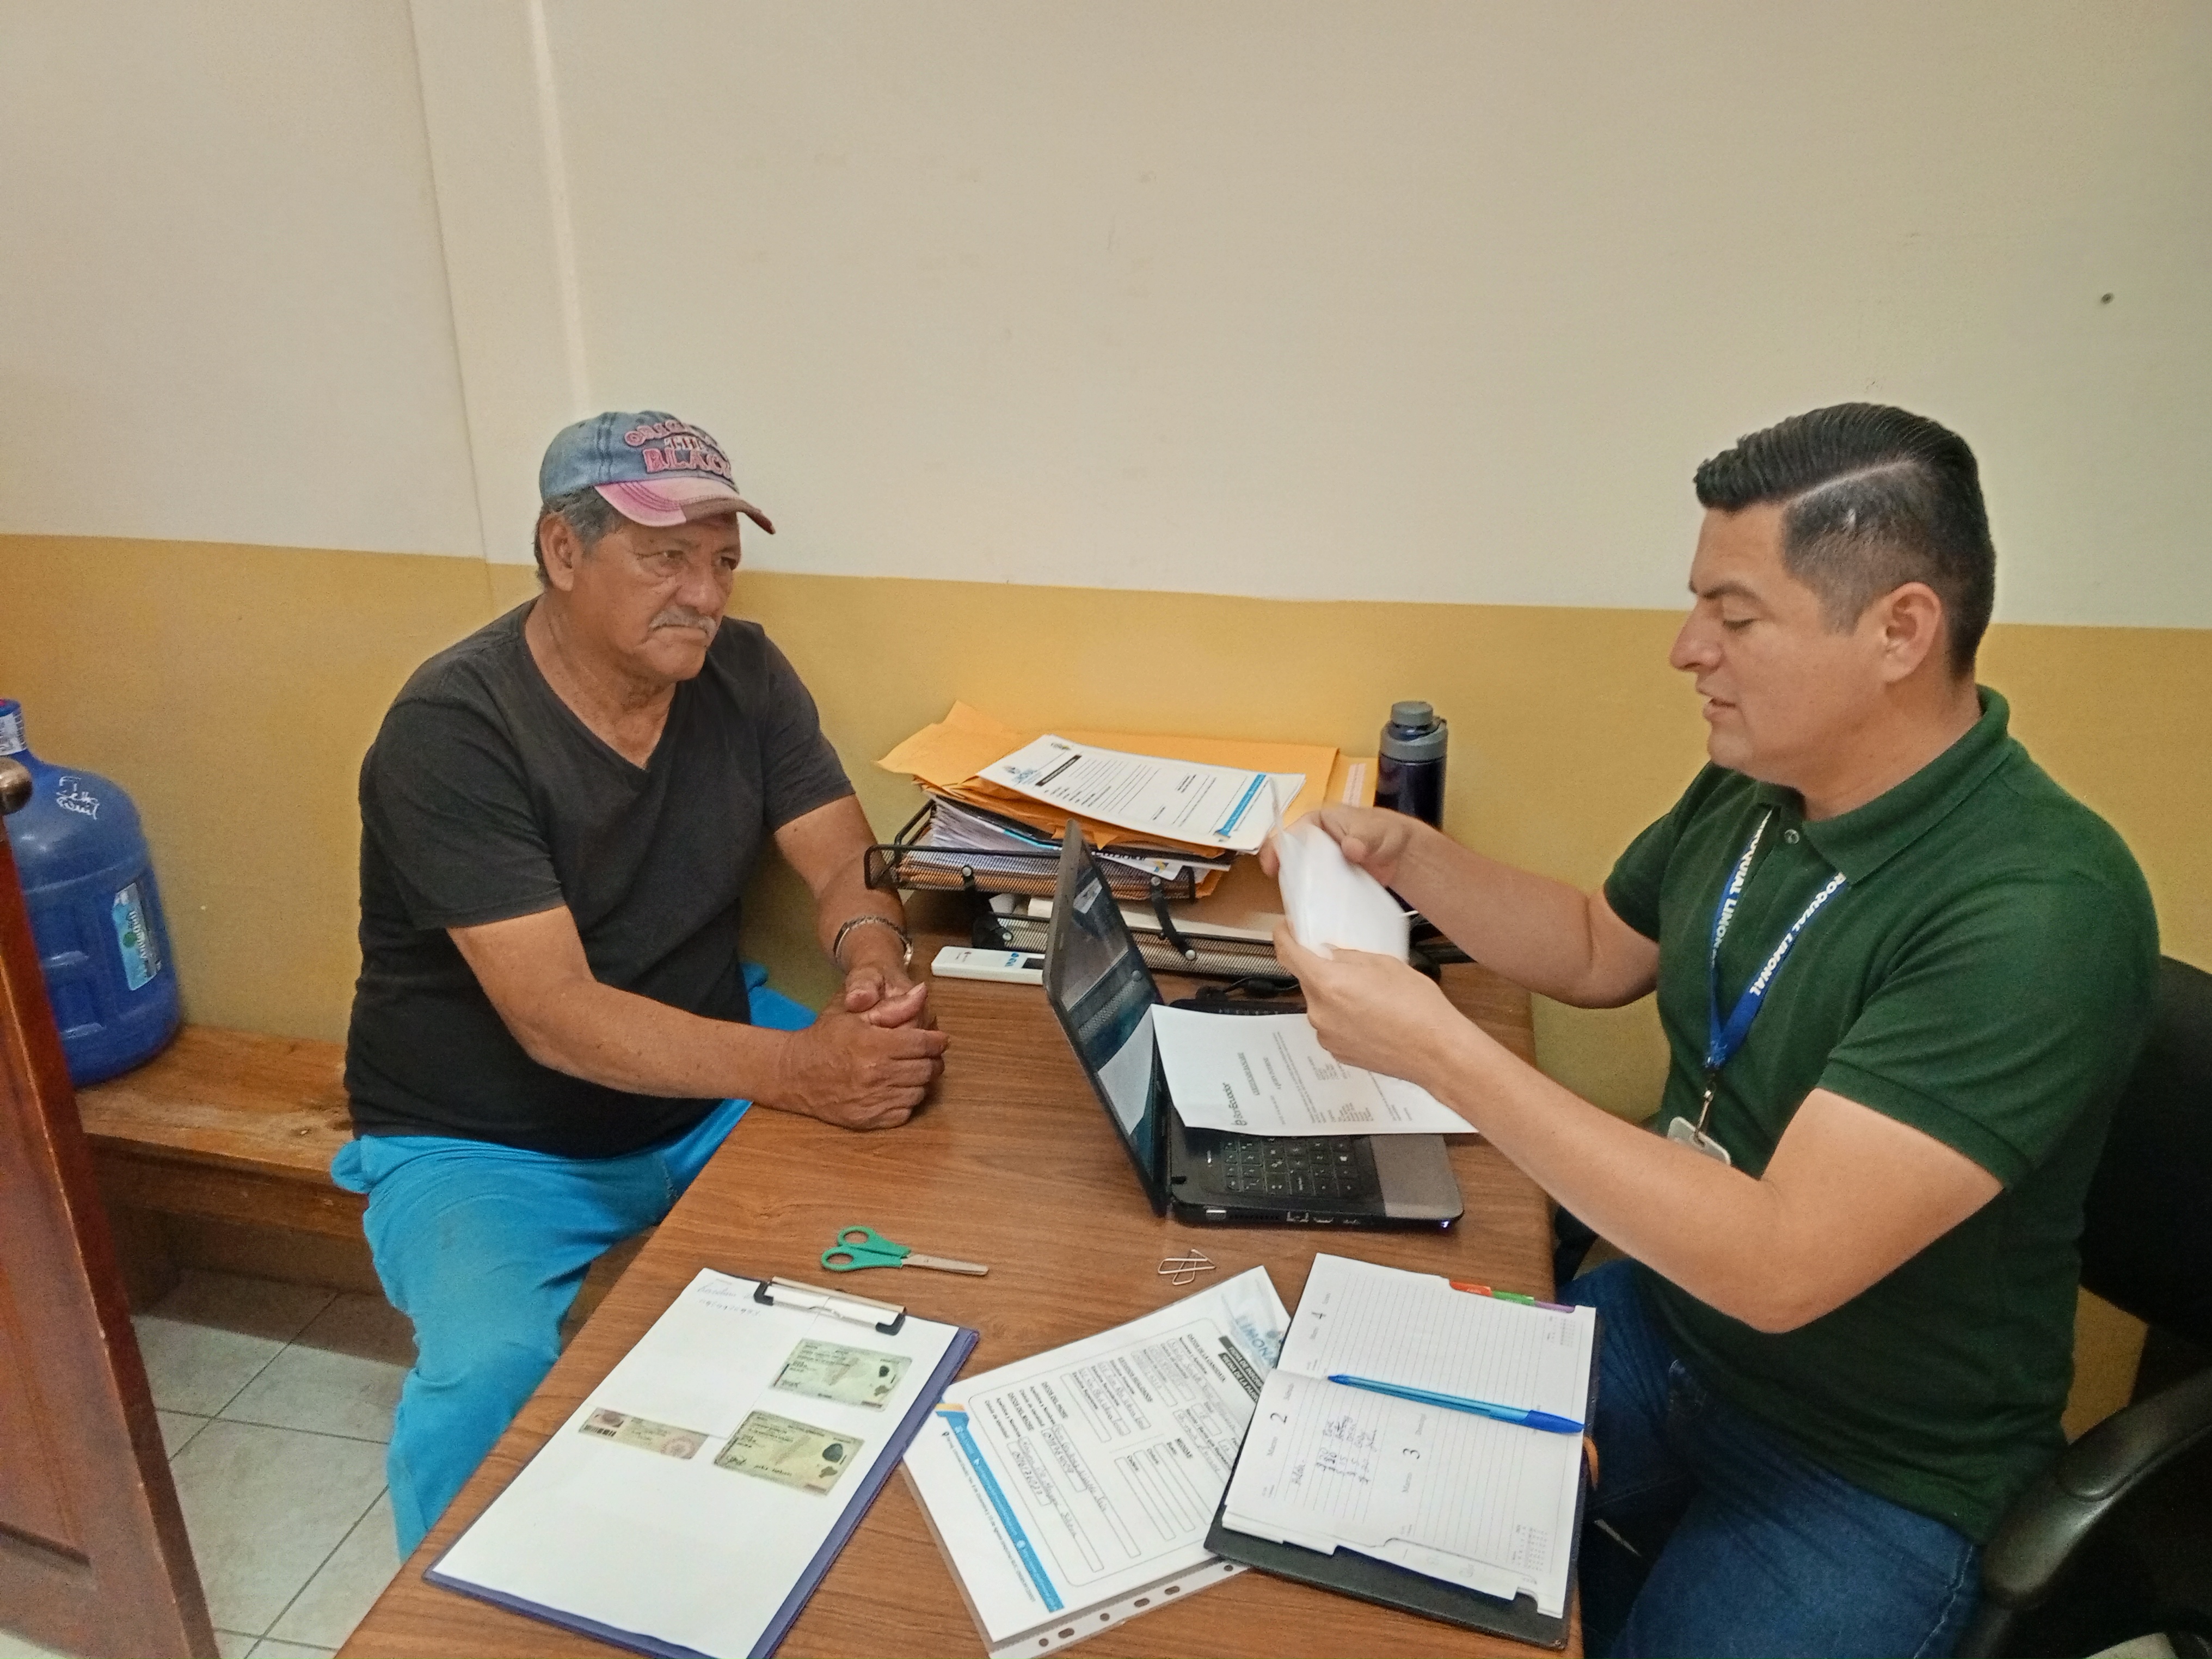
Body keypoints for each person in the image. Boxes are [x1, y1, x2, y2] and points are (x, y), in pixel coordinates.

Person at [1268, 404, 2158, 1659]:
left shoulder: (2036, 909)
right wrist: (1411, 859)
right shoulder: (1761, 782)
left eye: (1734, 619)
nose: (1688, 651)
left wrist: (1439, 1049)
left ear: (1899, 630)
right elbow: (1596, 945)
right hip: (1675, 1326)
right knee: (1314, 1514)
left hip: (1872, 1462)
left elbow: (1779, 1266)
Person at [336, 410, 947, 1555]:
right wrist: (800, 1070)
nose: (703, 595)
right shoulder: (451, 728)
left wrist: (872, 958)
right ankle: (446, 1615)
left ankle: (793, 1550)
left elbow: (842, 862)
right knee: (488, 1369)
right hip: (489, 1135)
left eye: (721, 561)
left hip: (704, 1075)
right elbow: (555, 1017)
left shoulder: (744, 671)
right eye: (665, 557)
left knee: (923, 1192)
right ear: (562, 551)